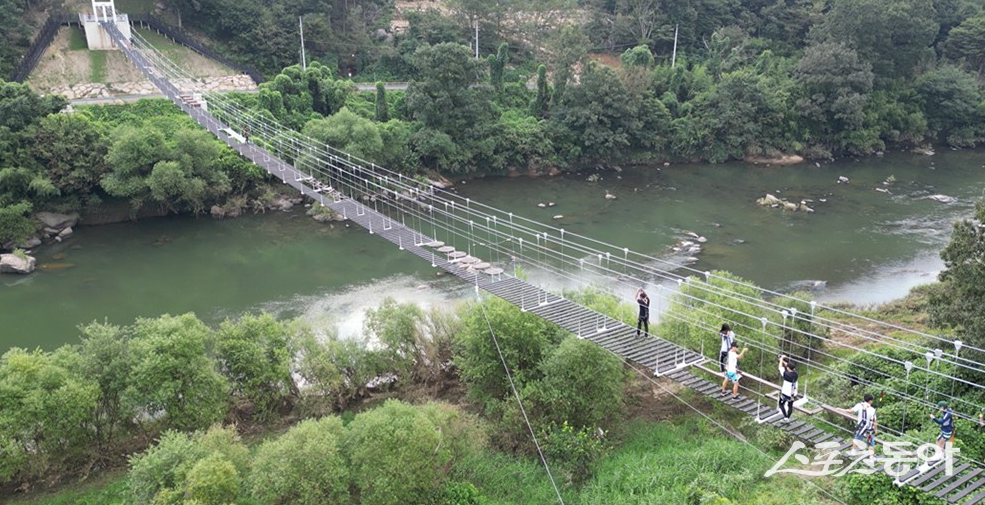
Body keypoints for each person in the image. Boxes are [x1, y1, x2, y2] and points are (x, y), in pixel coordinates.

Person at [838, 393, 878, 463]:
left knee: (857, 439)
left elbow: (850, 411)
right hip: (869, 428)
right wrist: (876, 430)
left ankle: (853, 451)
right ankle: (871, 457)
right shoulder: (873, 410)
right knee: (870, 443)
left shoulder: (860, 405)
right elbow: (875, 421)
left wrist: (840, 409)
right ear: (870, 401)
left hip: (861, 426)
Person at [777, 355, 798, 422]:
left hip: (786, 394)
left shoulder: (786, 375)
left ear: (788, 368)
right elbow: (788, 366)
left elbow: (780, 367)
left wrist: (781, 360)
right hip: (793, 394)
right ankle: (788, 418)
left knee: (781, 404)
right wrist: (783, 360)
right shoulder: (796, 374)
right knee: (790, 406)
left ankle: (786, 417)